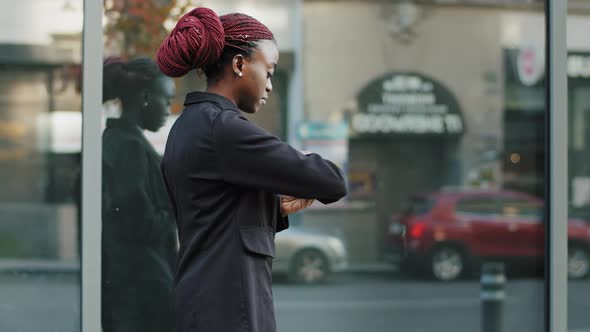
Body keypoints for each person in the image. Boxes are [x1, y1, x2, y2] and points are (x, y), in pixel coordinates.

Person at [157, 7, 348, 332]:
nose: (270, 85)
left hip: (204, 303)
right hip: (228, 311)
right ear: (240, 64)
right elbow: (332, 180)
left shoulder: (188, 126)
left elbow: (215, 216)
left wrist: (276, 205)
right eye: (269, 71)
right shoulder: (225, 129)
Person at [101, 57, 177, 332]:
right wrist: (179, 206)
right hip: (142, 294)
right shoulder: (129, 148)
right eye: (166, 100)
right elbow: (140, 223)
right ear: (145, 97)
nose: (169, 109)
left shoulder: (122, 142)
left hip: (136, 289)